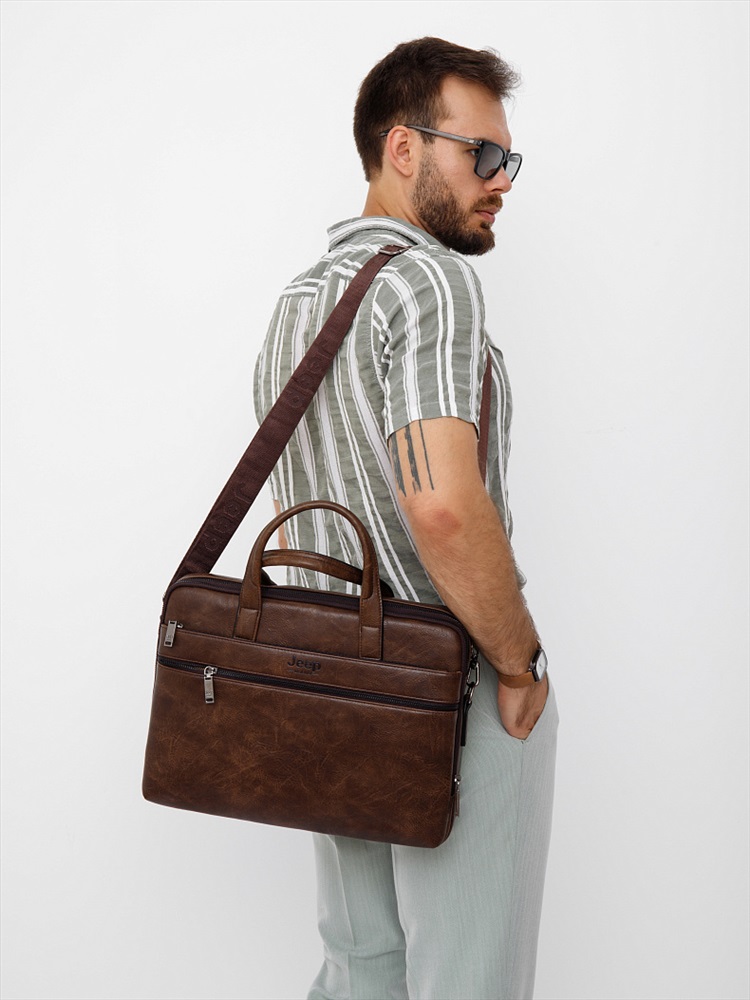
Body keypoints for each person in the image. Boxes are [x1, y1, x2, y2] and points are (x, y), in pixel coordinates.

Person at [253, 36, 558, 1000]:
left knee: (361, 968)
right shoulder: (430, 281)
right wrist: (518, 664)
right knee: (472, 979)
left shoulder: (299, 300)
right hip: (445, 684)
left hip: (321, 678)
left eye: (509, 158)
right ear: (402, 148)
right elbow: (442, 507)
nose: (501, 179)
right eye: (484, 154)